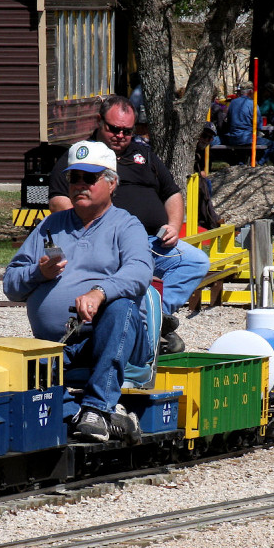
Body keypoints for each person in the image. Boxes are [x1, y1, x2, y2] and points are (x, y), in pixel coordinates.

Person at [4, 140, 152, 444]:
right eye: (74, 178)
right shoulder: (50, 226)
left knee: (121, 306)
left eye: (89, 178)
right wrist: (38, 273)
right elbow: (11, 285)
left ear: (111, 183)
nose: (80, 185)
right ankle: (101, 416)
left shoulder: (126, 225)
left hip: (109, 339)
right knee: (11, 380)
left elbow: (139, 272)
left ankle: (97, 406)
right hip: (57, 345)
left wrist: (99, 292)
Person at [48, 95, 210, 354]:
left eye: (127, 131)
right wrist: (89, 230)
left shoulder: (143, 153)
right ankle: (136, 325)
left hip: (150, 241)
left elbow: (172, 193)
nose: (120, 135)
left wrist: (173, 224)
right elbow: (58, 200)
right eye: (114, 128)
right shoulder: (82, 155)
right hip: (109, 242)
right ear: (100, 122)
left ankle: (153, 319)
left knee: (196, 261)